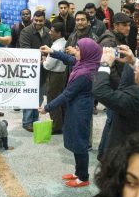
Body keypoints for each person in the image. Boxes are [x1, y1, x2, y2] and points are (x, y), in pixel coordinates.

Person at [39, 38, 101, 188]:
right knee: (75, 139)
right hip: (75, 107)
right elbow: (69, 59)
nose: (75, 51)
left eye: (79, 50)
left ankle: (83, 177)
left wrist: (47, 108)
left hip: (80, 110)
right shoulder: (85, 63)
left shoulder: (84, 74)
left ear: (87, 52)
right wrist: (52, 51)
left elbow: (66, 94)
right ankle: (78, 172)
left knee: (79, 143)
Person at [19, 10, 51, 132]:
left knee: (39, 97)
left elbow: (51, 49)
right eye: (36, 20)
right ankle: (27, 121)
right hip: (29, 70)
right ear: (33, 19)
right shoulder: (26, 32)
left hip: (43, 70)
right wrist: (41, 55)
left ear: (44, 20)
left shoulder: (48, 32)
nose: (38, 22)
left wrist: (46, 57)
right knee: (29, 95)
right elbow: (25, 50)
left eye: (40, 21)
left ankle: (35, 119)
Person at [43, 22, 67, 134]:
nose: (49, 32)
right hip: (63, 74)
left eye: (52, 31)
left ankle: (56, 126)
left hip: (55, 76)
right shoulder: (65, 43)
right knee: (61, 99)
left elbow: (48, 65)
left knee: (53, 100)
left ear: (59, 33)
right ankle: (61, 123)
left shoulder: (56, 46)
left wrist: (43, 60)